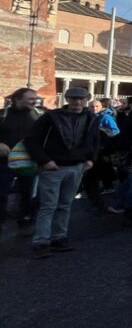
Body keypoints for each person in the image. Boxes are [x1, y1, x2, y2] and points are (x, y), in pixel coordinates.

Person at [24, 87, 100, 258]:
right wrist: (45, 160)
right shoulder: (51, 117)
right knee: (48, 205)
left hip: (77, 166)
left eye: (81, 99)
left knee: (65, 204)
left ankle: (59, 237)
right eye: (73, 98)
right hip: (54, 166)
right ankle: (41, 241)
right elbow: (32, 140)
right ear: (67, 99)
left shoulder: (91, 118)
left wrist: (91, 159)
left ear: (86, 100)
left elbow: (95, 140)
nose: (77, 102)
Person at [0, 87, 42, 237]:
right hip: (5, 162)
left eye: (35, 98)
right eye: (31, 98)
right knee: (1, 192)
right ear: (17, 99)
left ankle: (25, 221)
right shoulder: (2, 115)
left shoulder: (38, 115)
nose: (35, 101)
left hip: (29, 161)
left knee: (28, 193)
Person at [82, 98, 120, 210]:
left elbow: (115, 131)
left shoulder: (105, 117)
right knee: (94, 173)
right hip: (91, 149)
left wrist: (101, 131)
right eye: (92, 107)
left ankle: (100, 193)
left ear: (101, 107)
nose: (94, 108)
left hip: (102, 149)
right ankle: (95, 195)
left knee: (97, 171)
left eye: (96, 106)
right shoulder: (87, 117)